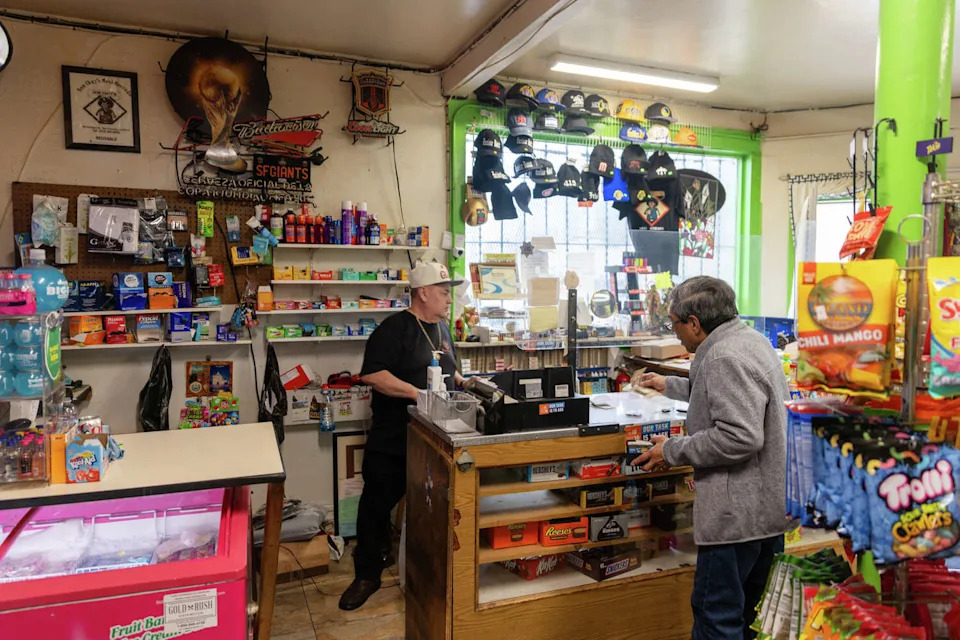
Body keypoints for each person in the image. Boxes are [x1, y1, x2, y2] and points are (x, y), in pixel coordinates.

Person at [632, 276, 792, 640]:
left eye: (674, 323)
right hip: (765, 513)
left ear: (694, 324)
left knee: (716, 619)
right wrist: (668, 385)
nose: (674, 333)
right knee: (752, 618)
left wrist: (671, 450)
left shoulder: (722, 356)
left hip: (735, 519)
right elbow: (729, 394)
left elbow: (739, 436)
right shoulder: (747, 339)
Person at [339, 261, 464, 611]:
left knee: (432, 509)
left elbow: (449, 372)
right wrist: (415, 393)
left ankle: (425, 568)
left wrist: (464, 382)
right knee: (376, 506)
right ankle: (367, 574)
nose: (448, 299)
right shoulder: (393, 329)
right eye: (443, 292)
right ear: (423, 293)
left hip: (435, 439)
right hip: (394, 439)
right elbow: (372, 375)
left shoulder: (442, 330)